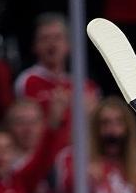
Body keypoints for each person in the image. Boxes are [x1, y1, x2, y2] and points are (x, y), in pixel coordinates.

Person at [14, 13, 100, 141]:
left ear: (69, 45)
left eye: (57, 38)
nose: (52, 44)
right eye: (45, 38)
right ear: (35, 45)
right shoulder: (28, 81)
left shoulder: (85, 85)